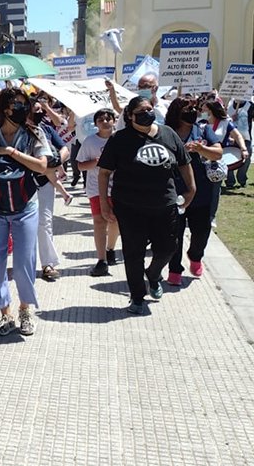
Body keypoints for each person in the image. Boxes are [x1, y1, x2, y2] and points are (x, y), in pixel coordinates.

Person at [98, 97, 195, 315]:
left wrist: (192, 189)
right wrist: (105, 203)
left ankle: (153, 274)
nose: (147, 113)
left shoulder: (168, 134)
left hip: (165, 203)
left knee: (168, 247)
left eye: (150, 109)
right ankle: (138, 297)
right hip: (130, 206)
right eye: (141, 111)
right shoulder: (119, 139)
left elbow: (183, 162)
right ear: (130, 116)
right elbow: (104, 172)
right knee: (134, 252)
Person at [0, 88, 52, 337]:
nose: (22, 108)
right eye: (18, 104)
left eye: (24, 104)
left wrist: (11, 153)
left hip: (25, 206)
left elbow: (43, 166)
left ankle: (26, 310)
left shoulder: (34, 134)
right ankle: (5, 314)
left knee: (24, 262)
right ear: (5, 108)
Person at [165, 97, 223, 285]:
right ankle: (175, 269)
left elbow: (218, 153)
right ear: (176, 112)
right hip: (174, 191)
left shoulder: (204, 129)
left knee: (201, 231)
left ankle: (195, 255)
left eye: (194, 108)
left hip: (202, 191)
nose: (192, 111)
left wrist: (201, 148)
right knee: (174, 233)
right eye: (187, 108)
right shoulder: (166, 133)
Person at [31, 95, 71, 282]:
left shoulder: (46, 129)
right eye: (35, 109)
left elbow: (64, 149)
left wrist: (54, 163)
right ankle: (26, 263)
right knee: (24, 225)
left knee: (44, 222)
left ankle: (48, 263)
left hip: (45, 182)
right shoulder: (18, 131)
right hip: (25, 182)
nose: (39, 113)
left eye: (41, 109)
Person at [77, 108, 121, 276]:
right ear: (95, 124)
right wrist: (96, 163)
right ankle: (101, 260)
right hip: (96, 187)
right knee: (99, 222)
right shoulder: (89, 142)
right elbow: (80, 165)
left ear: (113, 121)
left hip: (118, 187)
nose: (104, 122)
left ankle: (111, 249)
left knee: (114, 221)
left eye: (108, 118)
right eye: (100, 119)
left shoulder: (120, 139)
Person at [198, 98, 245, 226]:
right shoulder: (200, 123)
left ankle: (211, 216)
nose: (202, 111)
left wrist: (243, 148)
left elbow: (238, 136)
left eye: (205, 109)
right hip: (200, 161)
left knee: (214, 190)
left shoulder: (225, 123)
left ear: (212, 110)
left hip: (217, 162)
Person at [226, 96, 252, 188]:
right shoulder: (229, 104)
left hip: (245, 137)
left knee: (247, 159)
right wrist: (231, 119)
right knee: (228, 159)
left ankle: (242, 179)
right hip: (230, 137)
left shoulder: (250, 105)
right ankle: (230, 181)